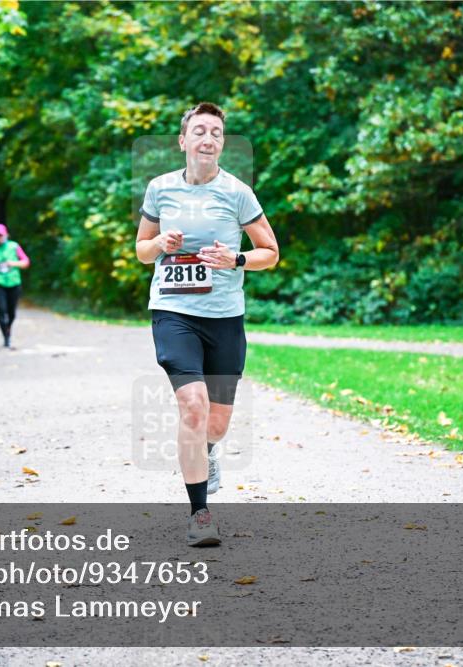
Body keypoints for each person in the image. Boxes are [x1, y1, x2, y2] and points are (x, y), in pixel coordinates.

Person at [135, 102, 280, 547]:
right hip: (174, 312)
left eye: (216, 132)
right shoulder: (160, 189)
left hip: (224, 317)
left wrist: (235, 258)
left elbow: (269, 252)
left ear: (221, 142)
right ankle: (200, 513)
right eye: (199, 130)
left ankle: (208, 450)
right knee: (193, 408)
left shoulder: (237, 192)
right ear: (183, 141)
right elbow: (141, 250)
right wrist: (159, 242)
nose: (208, 138)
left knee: (215, 425)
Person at [0, 223, 30, 348]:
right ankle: (6, 337)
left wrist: (13, 263)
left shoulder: (14, 246)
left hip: (14, 283)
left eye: (1, 235)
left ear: (6, 234)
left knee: (11, 313)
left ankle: (8, 328)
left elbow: (26, 262)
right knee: (2, 310)